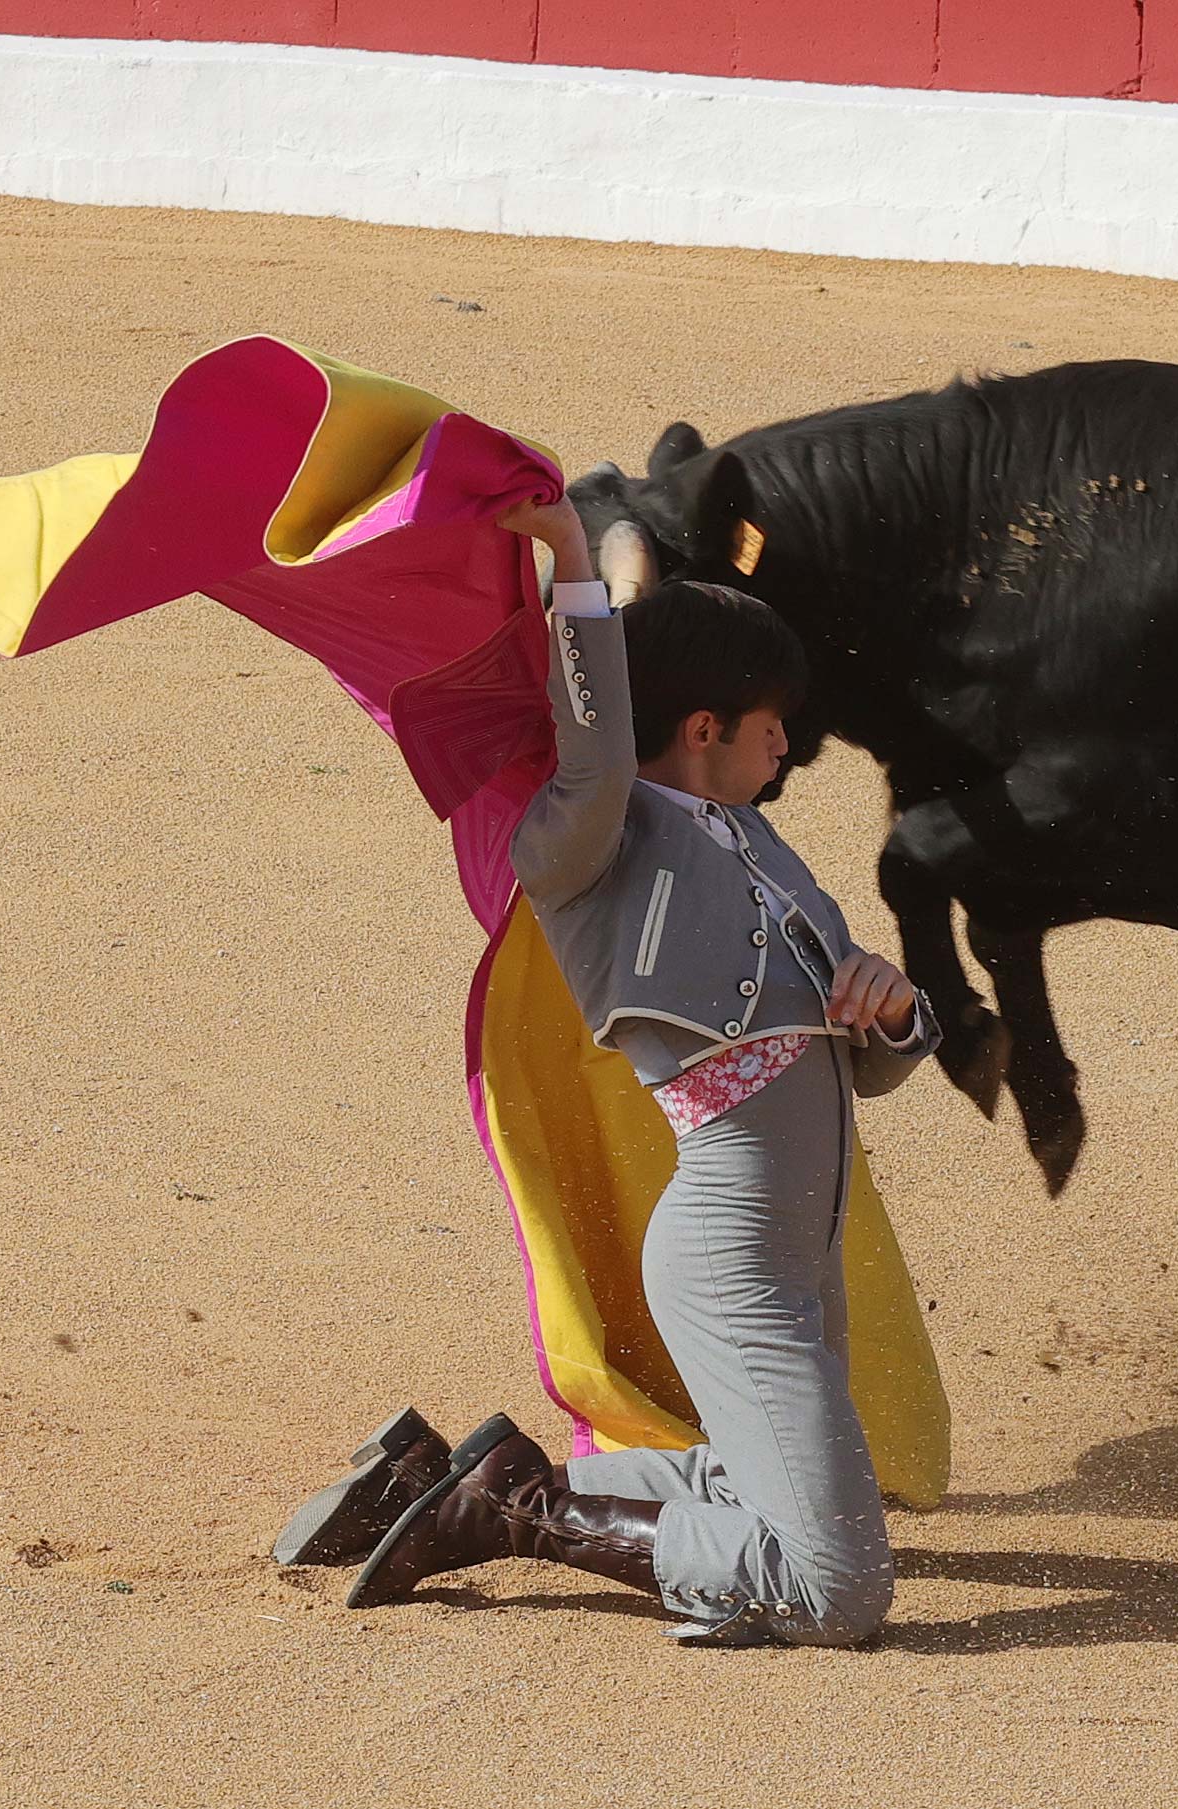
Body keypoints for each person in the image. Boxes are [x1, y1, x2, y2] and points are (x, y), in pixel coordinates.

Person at [277, 494, 938, 1647]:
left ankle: (433, 1481)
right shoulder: (590, 837)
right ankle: (513, 1514)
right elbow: (595, 734)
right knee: (839, 1593)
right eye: (769, 721)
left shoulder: (765, 850)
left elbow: (862, 1068)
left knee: (767, 1502)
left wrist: (887, 1008)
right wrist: (571, 557)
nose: (787, 743)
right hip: (731, 1251)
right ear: (699, 723)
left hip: (799, 1254)